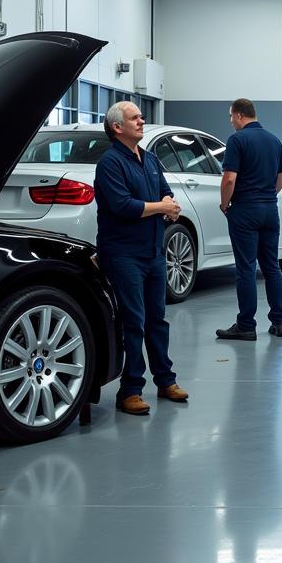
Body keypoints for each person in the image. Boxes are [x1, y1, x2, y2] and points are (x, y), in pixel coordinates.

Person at [94, 101, 189, 414]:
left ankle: (165, 381)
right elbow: (122, 206)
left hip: (153, 252)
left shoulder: (148, 158)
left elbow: (164, 191)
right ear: (117, 127)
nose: (141, 120)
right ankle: (130, 391)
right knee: (133, 321)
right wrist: (161, 208)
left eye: (141, 116)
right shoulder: (110, 163)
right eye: (135, 117)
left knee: (157, 320)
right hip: (123, 254)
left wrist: (166, 204)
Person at [216, 98, 282, 341]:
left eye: (230, 117)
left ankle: (246, 325)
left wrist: (225, 204)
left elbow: (228, 180)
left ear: (238, 115)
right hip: (270, 209)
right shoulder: (274, 140)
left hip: (245, 210)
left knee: (246, 268)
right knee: (272, 267)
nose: (231, 121)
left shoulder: (237, 140)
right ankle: (279, 322)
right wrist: (268, 196)